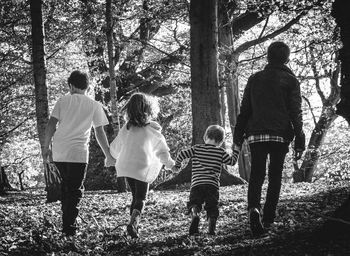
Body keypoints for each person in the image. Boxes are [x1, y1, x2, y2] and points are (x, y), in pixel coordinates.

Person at [233, 41, 305, 237]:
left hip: (256, 134)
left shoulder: (255, 78)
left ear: (268, 57)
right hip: (280, 134)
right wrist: (300, 138)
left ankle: (253, 209)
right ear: (287, 59)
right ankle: (268, 218)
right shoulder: (291, 80)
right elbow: (295, 112)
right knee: (275, 176)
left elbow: (245, 110)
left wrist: (238, 136)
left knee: (257, 174)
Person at [42, 70, 115, 236]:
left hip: (60, 151)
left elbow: (51, 125)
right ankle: (69, 228)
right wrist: (108, 155)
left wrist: (46, 148)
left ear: (71, 85)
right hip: (78, 153)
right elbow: (100, 132)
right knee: (74, 190)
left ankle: (67, 224)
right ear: (87, 87)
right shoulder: (94, 105)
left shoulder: (62, 100)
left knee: (67, 187)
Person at [109, 92, 175, 239]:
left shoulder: (127, 128)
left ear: (129, 109)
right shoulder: (152, 129)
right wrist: (171, 165)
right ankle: (133, 223)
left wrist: (110, 157)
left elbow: (115, 147)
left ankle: (133, 225)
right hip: (141, 168)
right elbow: (162, 151)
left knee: (135, 197)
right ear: (149, 110)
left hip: (126, 167)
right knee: (141, 198)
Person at [173, 125, 240, 236]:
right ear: (220, 141)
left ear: (205, 136)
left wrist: (177, 166)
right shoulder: (221, 152)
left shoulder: (197, 148)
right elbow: (232, 162)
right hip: (212, 185)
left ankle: (195, 215)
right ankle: (211, 227)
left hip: (197, 184)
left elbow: (182, 154)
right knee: (212, 206)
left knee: (195, 203)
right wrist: (236, 151)